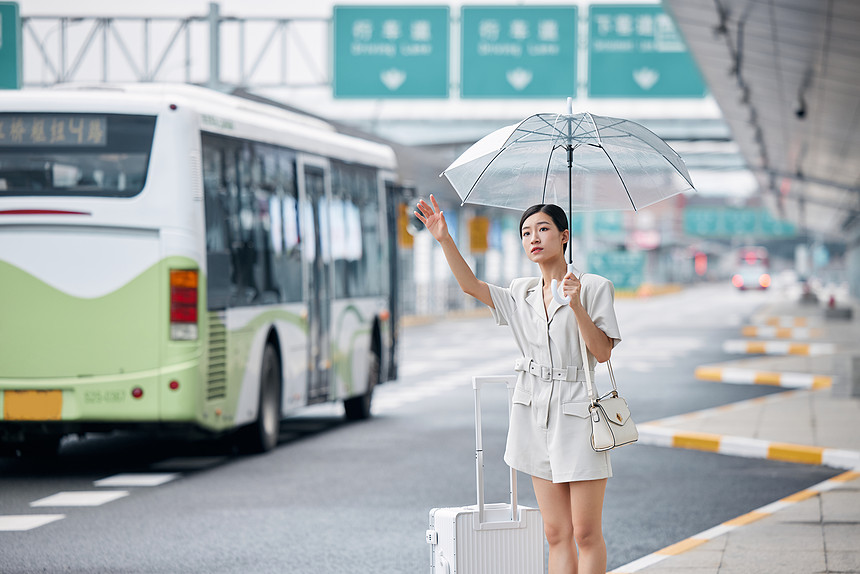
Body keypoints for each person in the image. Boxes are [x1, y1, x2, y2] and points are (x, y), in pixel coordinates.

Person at [415, 195, 621, 574]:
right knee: (556, 532)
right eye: (526, 232)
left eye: (543, 229)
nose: (534, 238)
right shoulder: (521, 294)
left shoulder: (592, 288)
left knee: (586, 534)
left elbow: (603, 353)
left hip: (578, 413)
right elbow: (471, 286)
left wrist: (575, 305)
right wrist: (444, 239)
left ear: (564, 236)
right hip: (533, 413)